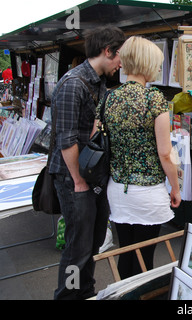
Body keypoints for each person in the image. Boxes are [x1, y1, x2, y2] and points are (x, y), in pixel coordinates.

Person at [49, 25, 126, 300]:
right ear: (107, 51)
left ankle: (86, 292)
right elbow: (66, 140)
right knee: (77, 247)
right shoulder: (73, 84)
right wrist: (79, 181)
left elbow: (90, 129)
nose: (121, 63)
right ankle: (68, 296)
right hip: (74, 178)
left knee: (91, 242)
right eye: (119, 56)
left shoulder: (98, 82)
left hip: (90, 175)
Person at [99, 36, 181, 280]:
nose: (158, 69)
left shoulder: (109, 98)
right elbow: (165, 153)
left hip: (117, 190)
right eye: (157, 64)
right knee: (145, 259)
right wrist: (175, 188)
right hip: (147, 193)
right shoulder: (153, 99)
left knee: (126, 254)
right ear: (146, 64)